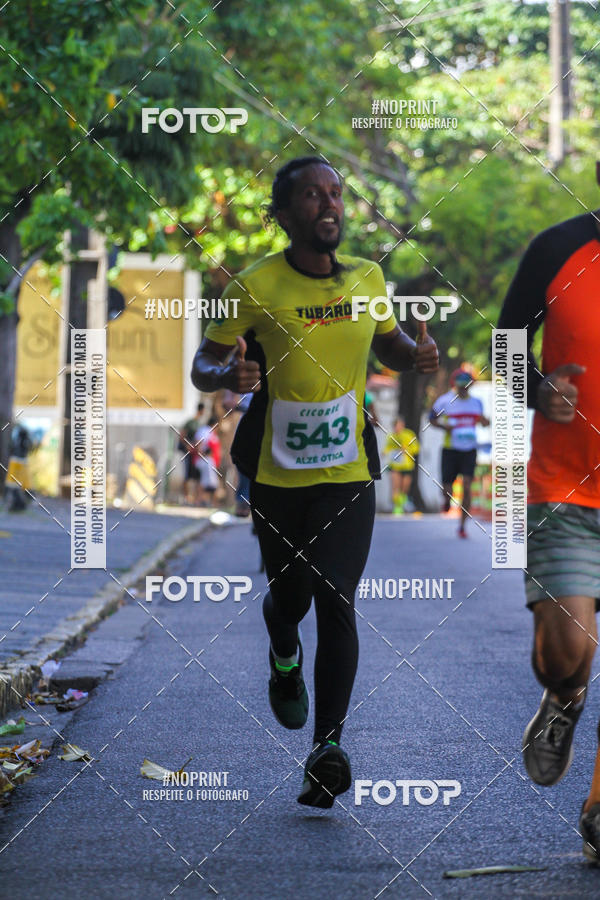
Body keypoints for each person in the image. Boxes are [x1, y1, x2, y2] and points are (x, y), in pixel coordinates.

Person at [192, 155, 438, 808]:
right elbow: (204, 362)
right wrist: (227, 378)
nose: (329, 205)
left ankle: (326, 750)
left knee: (336, 596)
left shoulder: (368, 277)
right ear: (283, 213)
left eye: (336, 194)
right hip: (276, 473)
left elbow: (385, 344)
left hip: (348, 471)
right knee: (291, 597)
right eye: (311, 195)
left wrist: (416, 357)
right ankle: (281, 650)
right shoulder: (255, 286)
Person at [497, 184, 600, 862]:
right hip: (566, 489)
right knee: (565, 651)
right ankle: (565, 695)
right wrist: (536, 389)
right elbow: (504, 347)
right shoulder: (559, 247)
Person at [429, 368, 489, 538]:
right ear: (455, 385)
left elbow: (482, 420)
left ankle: (462, 526)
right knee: (447, 487)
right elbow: (431, 418)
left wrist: (485, 422)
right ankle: (447, 500)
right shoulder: (445, 401)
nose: (464, 389)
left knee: (468, 485)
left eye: (466, 386)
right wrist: (444, 426)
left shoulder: (477, 402)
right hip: (450, 449)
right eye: (461, 386)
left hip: (469, 449)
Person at [383, 416, 419, 514]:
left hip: (407, 466)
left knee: (405, 487)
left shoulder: (409, 435)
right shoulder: (391, 437)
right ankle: (397, 507)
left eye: (399, 425)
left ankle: (402, 504)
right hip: (395, 465)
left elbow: (416, 448)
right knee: (395, 486)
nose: (397, 428)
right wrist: (385, 452)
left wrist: (407, 450)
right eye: (395, 426)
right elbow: (387, 448)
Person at [178, 402, 205, 505]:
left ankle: (194, 498)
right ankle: (185, 497)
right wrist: (187, 446)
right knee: (186, 475)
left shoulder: (199, 423)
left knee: (195, 476)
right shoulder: (191, 422)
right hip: (188, 453)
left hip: (196, 454)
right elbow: (182, 435)